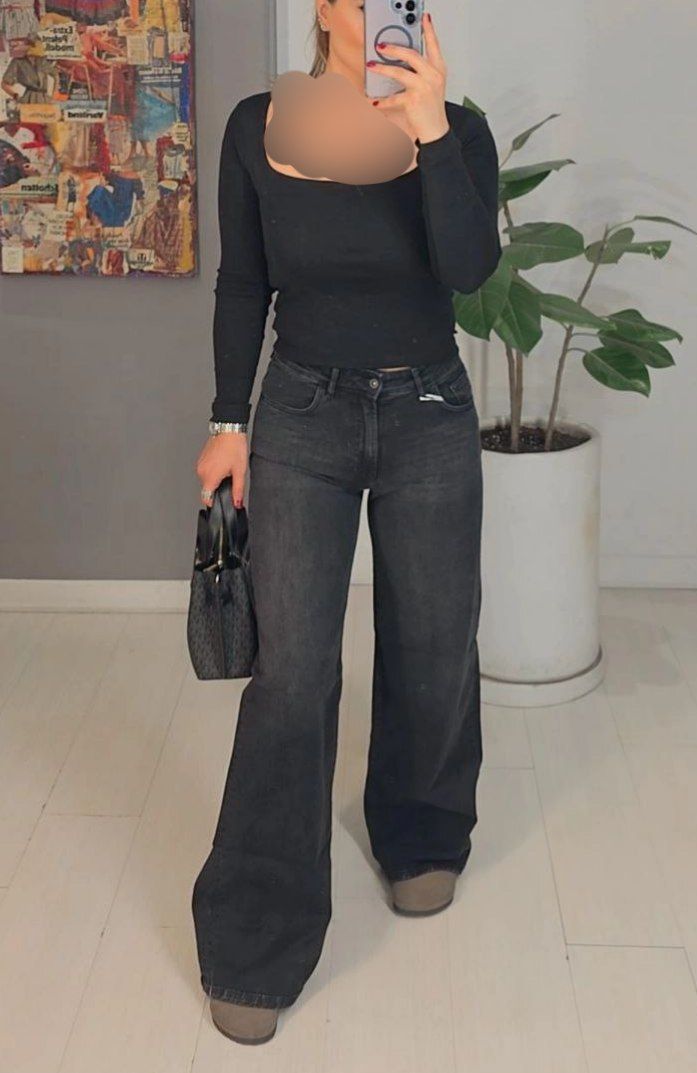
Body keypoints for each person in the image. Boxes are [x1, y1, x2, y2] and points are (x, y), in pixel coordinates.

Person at [191, 0, 501, 1046]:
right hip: (302, 414)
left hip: (429, 408)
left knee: (433, 640)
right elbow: (244, 281)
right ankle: (256, 932)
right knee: (293, 673)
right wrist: (228, 421)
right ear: (323, 8)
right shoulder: (256, 124)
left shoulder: (458, 130)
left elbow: (469, 271)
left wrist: (429, 130)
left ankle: (421, 830)